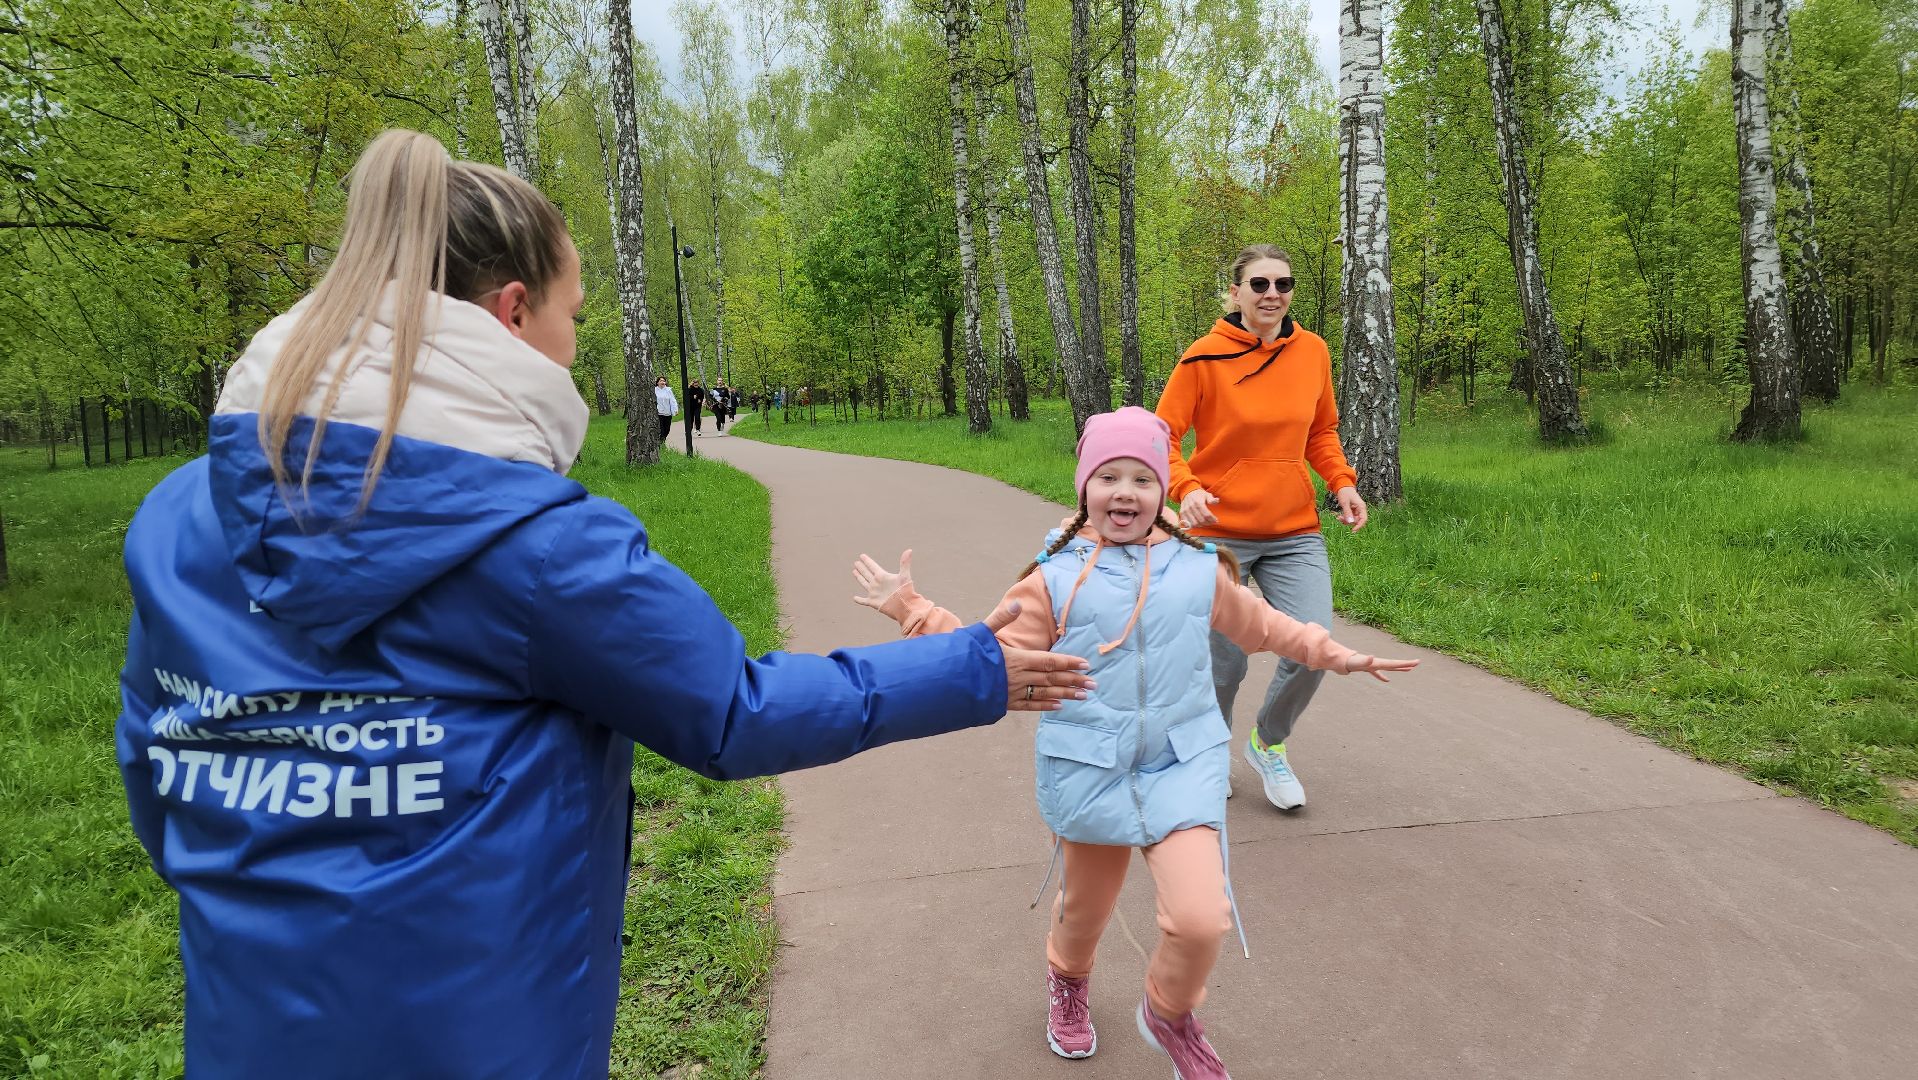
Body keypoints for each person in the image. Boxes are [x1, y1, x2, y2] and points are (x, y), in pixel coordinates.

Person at [114, 130, 1093, 1080]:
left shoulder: (179, 518)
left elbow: (155, 780)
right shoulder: (536, 545)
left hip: (251, 1021)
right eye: (573, 315)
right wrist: (970, 666)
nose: (574, 344)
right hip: (487, 1027)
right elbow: (733, 712)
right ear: (512, 313)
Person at [851, 407, 1416, 1079]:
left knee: (1201, 919)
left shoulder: (1196, 567)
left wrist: (1337, 655)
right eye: (1109, 477)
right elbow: (989, 655)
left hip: (1180, 763)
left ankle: (1169, 1013)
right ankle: (1068, 981)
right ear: (1084, 487)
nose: (1125, 492)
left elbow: (1265, 626)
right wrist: (913, 610)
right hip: (1091, 766)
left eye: (1143, 479)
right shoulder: (1054, 578)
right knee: (1083, 915)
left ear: (1163, 490)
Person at [1154, 243, 1368, 811]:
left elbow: (1321, 431)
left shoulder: (1313, 351)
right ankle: (1209, 751)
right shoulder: (1202, 358)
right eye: (1259, 284)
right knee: (1223, 663)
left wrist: (1341, 482)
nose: (1272, 294)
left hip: (1293, 530)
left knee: (1314, 646)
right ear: (1235, 293)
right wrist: (1186, 488)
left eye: (1283, 284)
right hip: (1219, 531)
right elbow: (1162, 436)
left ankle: (1267, 743)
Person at [653, 374, 676, 445]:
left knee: (667, 429)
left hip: (668, 412)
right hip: (659, 413)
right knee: (661, 429)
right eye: (661, 381)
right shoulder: (655, 390)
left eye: (664, 381)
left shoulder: (668, 390)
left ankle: (663, 440)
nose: (662, 382)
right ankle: (661, 442)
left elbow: (672, 400)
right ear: (657, 382)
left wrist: (675, 409)